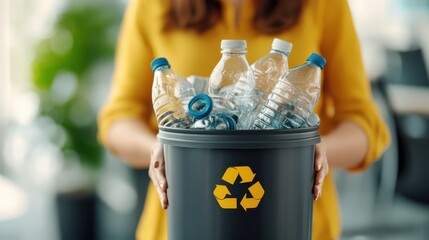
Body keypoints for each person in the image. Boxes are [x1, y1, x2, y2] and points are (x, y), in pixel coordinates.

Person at [98, 0, 390, 239]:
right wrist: (165, 148)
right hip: (183, 222)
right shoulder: (153, 5)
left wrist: (309, 151)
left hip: (291, 220)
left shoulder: (324, 4)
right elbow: (118, 118)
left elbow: (365, 123)